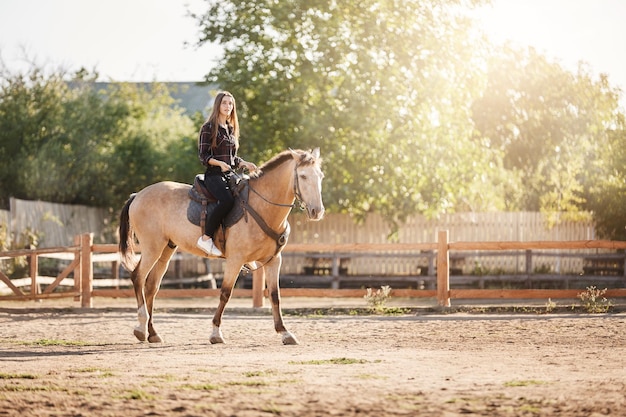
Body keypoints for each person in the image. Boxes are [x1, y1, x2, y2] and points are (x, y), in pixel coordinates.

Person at [196, 91, 257, 256]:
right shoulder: (208, 128)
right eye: (224, 103)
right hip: (214, 175)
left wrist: (243, 163)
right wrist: (219, 164)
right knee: (227, 200)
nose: (228, 106)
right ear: (217, 105)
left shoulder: (230, 129)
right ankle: (206, 237)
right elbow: (203, 156)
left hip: (228, 175)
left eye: (230, 104)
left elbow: (231, 158)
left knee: (245, 198)